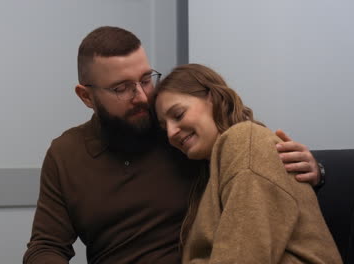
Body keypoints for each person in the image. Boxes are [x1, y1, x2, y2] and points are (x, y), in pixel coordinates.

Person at [23, 26, 323, 264]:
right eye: (121, 88)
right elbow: (45, 246)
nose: (141, 96)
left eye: (146, 79)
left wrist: (315, 170)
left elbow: (249, 160)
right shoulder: (65, 154)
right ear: (86, 96)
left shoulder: (182, 133)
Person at [155, 63, 341, 263]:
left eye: (178, 115)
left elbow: (243, 256)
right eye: (164, 127)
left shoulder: (244, 139)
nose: (171, 133)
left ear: (212, 97)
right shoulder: (206, 173)